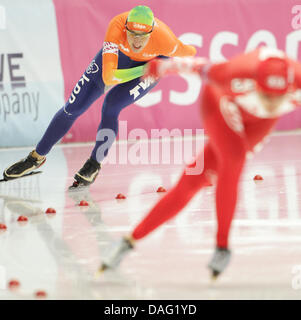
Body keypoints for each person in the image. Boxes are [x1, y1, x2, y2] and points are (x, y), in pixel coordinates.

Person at [97, 47, 301, 278]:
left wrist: (265, 105)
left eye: (279, 96)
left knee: (193, 182)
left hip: (258, 123)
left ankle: (127, 242)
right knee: (234, 160)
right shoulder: (233, 74)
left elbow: (270, 105)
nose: (273, 103)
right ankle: (222, 247)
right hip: (219, 104)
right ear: (256, 84)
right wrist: (161, 66)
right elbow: (197, 66)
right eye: (266, 95)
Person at [3, 5, 196, 188]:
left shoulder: (166, 41)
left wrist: (161, 66)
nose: (136, 41)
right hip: (123, 60)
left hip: (153, 64)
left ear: (151, 33)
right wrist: (143, 68)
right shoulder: (116, 26)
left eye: (142, 36)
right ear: (126, 29)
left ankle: (95, 163)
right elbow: (109, 76)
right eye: (132, 34)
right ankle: (35, 157)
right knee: (72, 107)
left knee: (111, 107)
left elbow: (190, 51)